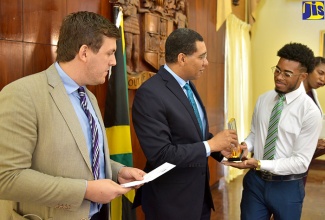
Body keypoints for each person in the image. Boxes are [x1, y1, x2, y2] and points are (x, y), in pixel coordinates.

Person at [0, 11, 145, 220]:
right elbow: (7, 178)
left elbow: (84, 158)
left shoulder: (89, 98)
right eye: (109, 53)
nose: (114, 62)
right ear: (84, 52)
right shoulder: (22, 95)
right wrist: (85, 190)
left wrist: (117, 172)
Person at [132, 28, 239, 220]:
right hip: (170, 204)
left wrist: (221, 151)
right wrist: (211, 145)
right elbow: (161, 154)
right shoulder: (150, 94)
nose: (206, 63)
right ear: (182, 58)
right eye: (202, 57)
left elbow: (197, 136)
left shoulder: (188, 85)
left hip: (199, 199)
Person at [223, 42, 323, 220]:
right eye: (277, 70)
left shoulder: (310, 112)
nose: (279, 77)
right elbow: (255, 133)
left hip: (288, 188)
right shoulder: (264, 99)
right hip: (255, 184)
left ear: (302, 76)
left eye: (287, 74)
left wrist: (259, 163)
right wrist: (246, 145)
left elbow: (300, 162)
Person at [303, 56, 325, 185]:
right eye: (320, 73)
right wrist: (314, 143)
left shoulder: (312, 93)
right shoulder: (293, 95)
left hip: (304, 162)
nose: (323, 80)